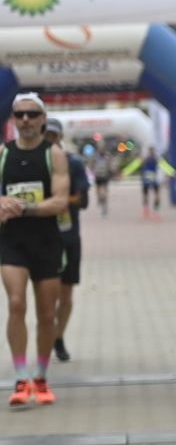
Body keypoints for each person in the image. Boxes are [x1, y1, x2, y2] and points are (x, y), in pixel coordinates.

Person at [2, 93, 69, 408]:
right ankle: (19, 378)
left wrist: (22, 207)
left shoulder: (53, 153)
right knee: (16, 303)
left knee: (46, 313)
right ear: (13, 119)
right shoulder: (3, 154)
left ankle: (40, 376)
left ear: (43, 118)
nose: (25, 120)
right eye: (20, 115)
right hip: (11, 242)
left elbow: (59, 202)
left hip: (46, 243)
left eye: (31, 114)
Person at [41, 119, 87, 364]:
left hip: (68, 237)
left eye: (53, 136)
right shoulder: (35, 163)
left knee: (65, 293)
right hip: (42, 239)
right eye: (45, 135)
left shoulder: (73, 164)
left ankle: (58, 337)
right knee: (47, 294)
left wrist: (56, 201)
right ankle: (47, 338)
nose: (50, 140)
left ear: (60, 137)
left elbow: (83, 200)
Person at [90, 146, 113, 217]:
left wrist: (110, 172)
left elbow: (110, 165)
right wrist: (93, 171)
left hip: (104, 176)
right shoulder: (96, 157)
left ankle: (104, 204)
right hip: (98, 176)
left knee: (104, 191)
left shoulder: (107, 156)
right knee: (98, 190)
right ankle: (100, 199)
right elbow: (91, 164)